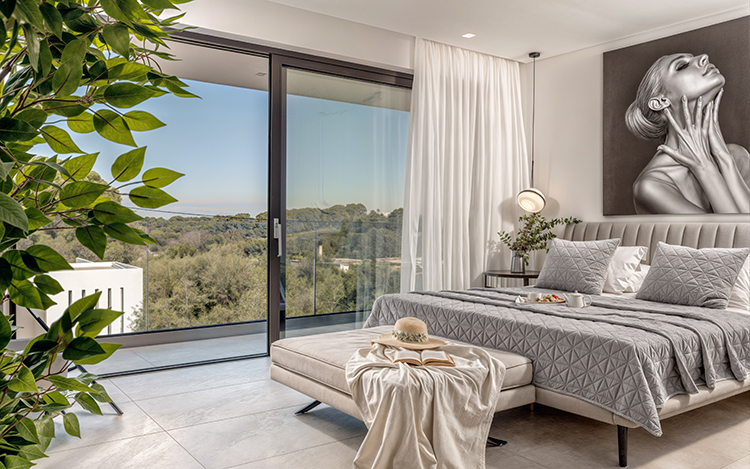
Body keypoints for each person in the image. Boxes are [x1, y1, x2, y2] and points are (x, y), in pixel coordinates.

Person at [625, 53, 750, 214]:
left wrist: (723, 157)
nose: (704, 57)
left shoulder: (736, 156)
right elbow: (732, 230)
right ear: (660, 102)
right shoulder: (652, 185)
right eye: (682, 66)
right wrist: (704, 167)